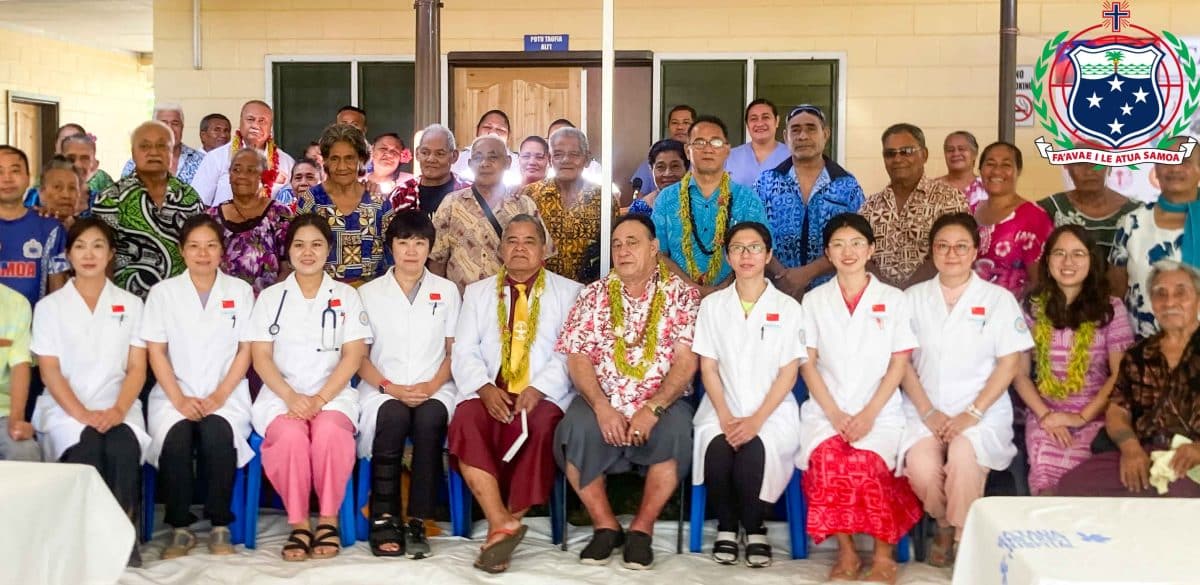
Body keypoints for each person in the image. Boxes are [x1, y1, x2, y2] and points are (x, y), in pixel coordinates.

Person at [556, 214, 700, 570]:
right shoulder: (593, 294)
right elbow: (577, 357)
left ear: (654, 249)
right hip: (600, 399)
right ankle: (605, 526)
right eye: (617, 244)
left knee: (677, 434)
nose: (623, 251)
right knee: (572, 431)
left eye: (632, 243)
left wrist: (654, 407)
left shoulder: (682, 295)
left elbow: (686, 362)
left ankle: (641, 530)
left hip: (662, 401)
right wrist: (602, 406)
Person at [449, 215, 581, 573]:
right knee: (466, 419)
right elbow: (464, 349)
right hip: (491, 388)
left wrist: (539, 388)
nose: (520, 248)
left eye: (529, 241)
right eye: (512, 241)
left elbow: (569, 352)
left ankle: (503, 527)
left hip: (543, 392)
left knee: (543, 426)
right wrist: (484, 388)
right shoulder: (477, 293)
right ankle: (500, 521)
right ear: (500, 248)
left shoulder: (570, 293)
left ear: (544, 250)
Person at [900, 212, 1032, 567]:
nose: (951, 254)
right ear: (932, 252)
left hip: (981, 411)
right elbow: (902, 363)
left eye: (961, 246)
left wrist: (972, 413)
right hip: (924, 410)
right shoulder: (911, 298)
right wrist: (929, 412)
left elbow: (1010, 363)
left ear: (975, 251)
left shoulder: (998, 299)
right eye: (942, 246)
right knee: (922, 467)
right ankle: (943, 523)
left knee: (963, 459)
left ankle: (961, 537)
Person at [797, 213, 922, 584]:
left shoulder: (894, 299)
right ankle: (847, 553)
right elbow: (808, 364)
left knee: (871, 464)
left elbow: (899, 364)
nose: (847, 251)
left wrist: (868, 414)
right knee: (829, 461)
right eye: (838, 244)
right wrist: (835, 415)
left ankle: (884, 555)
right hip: (827, 410)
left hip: (880, 411)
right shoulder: (815, 300)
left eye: (856, 243)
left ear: (871, 249)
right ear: (828, 253)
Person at [244, 214, 371, 561]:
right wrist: (291, 397)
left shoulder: (346, 295)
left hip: (332, 395)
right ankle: (299, 524)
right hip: (281, 395)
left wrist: (319, 398)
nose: (308, 252)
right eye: (299, 245)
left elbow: (354, 355)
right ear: (289, 252)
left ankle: (327, 519)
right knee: (290, 437)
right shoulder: (271, 298)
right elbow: (261, 358)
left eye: (316, 244)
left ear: (328, 250)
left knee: (330, 432)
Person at [31, 218, 150, 566]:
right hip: (66, 408)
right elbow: (49, 369)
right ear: (68, 255)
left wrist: (118, 409)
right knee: (88, 447)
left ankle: (123, 537)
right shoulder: (50, 308)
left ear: (111, 254)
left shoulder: (131, 304)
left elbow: (136, 368)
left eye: (98, 245)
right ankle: (85, 537)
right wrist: (82, 415)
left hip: (119, 403)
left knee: (122, 444)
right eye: (80, 246)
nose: (88, 254)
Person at [141, 215, 254, 558]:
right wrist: (178, 398)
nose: (202, 254)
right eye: (194, 246)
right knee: (175, 442)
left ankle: (220, 525)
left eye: (210, 246)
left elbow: (245, 349)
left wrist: (220, 395)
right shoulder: (163, 293)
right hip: (174, 394)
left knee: (219, 437)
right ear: (182, 251)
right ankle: (180, 528)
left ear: (222, 250)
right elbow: (156, 351)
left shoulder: (240, 290)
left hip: (227, 393)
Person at [691, 221, 803, 568]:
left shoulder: (788, 308)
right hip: (721, 404)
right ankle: (727, 526)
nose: (746, 255)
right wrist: (725, 415)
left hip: (772, 409)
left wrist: (756, 419)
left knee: (755, 448)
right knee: (718, 447)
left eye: (755, 247)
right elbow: (708, 367)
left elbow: (789, 371)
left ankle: (754, 528)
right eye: (737, 247)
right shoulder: (713, 306)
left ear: (768, 254)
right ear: (728, 256)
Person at [355, 211, 458, 559]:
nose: (411, 251)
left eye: (419, 242)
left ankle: (417, 520)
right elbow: (360, 357)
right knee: (393, 418)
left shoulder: (446, 291)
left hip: (435, 385)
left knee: (430, 420)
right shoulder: (368, 294)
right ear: (390, 247)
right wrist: (391, 388)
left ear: (430, 247)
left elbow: (451, 352)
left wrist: (431, 386)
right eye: (403, 242)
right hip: (383, 387)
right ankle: (384, 516)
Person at [1056, 260, 1200, 498]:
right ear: (1152, 303)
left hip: (1191, 460)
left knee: (1179, 499)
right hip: (1145, 455)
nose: (1170, 302)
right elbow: (1117, 412)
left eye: (1180, 292)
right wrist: (1130, 448)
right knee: (1074, 486)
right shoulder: (1138, 354)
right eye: (1160, 294)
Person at [1012, 225, 1134, 495]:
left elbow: (1119, 374)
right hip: (1044, 411)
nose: (1068, 262)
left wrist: (1080, 417)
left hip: (1096, 413)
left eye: (1078, 254)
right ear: (1047, 261)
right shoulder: (1030, 307)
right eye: (1060, 253)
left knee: (1082, 484)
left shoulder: (1111, 308)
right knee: (1045, 479)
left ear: (1092, 261)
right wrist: (1046, 416)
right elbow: (1019, 374)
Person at [756, 105, 865, 297]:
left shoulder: (846, 185)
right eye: (795, 130)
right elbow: (753, 233)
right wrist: (783, 276)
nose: (803, 136)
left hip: (832, 293)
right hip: (776, 293)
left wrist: (808, 273)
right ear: (785, 136)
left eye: (811, 128)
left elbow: (860, 240)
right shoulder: (766, 182)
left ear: (826, 134)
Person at [652, 115, 768, 294]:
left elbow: (757, 252)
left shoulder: (747, 199)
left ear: (727, 149)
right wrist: (694, 290)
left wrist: (721, 291)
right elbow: (658, 254)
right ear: (687, 150)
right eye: (699, 142)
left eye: (715, 142)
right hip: (677, 300)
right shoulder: (667, 199)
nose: (707, 149)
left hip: (734, 299)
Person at [93, 121, 204, 299]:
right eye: (145, 146)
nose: (153, 152)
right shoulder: (111, 198)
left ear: (171, 153)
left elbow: (199, 252)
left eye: (161, 146)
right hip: (127, 303)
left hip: (179, 302)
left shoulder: (189, 198)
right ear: (133, 153)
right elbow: (101, 257)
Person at [429, 135, 550, 291]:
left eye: (493, 157)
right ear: (470, 164)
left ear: (507, 162)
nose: (485, 163)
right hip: (462, 306)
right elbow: (437, 261)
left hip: (513, 304)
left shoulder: (524, 204)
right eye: (478, 158)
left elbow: (541, 257)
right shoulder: (451, 204)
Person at [1110, 136, 1198, 339]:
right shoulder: (1130, 223)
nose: (1175, 168)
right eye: (1167, 160)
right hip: (1143, 354)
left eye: (1184, 160)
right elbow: (1116, 293)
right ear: (1156, 170)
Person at [861, 123, 967, 289]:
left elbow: (952, 251)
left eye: (906, 151)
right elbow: (861, 253)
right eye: (890, 154)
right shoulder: (870, 205)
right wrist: (887, 291)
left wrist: (908, 291)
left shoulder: (948, 198)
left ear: (924, 155)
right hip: (883, 303)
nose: (897, 159)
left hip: (932, 300)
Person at [297, 123, 393, 287]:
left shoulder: (378, 201)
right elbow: (299, 253)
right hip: (322, 296)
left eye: (349, 158)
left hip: (372, 295)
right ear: (325, 161)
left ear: (361, 159)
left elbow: (392, 253)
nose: (342, 167)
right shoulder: (311, 201)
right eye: (335, 159)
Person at [522, 127, 610, 283]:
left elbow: (610, 248)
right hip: (541, 290)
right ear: (550, 159)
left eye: (574, 154)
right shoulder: (530, 195)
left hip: (588, 291)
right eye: (558, 154)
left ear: (587, 159)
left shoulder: (604, 199)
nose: (565, 160)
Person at [970, 141, 1053, 298]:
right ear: (980, 170)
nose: (997, 171)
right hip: (969, 311)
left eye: (1006, 165)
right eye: (990, 164)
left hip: (1014, 314)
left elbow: (1040, 281)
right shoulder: (970, 209)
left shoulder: (1034, 217)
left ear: (1018, 171)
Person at [208, 149, 294, 295]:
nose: (242, 175)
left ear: (263, 176)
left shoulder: (280, 214)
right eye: (236, 169)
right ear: (229, 176)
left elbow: (289, 267)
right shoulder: (211, 217)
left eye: (251, 171)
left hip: (267, 307)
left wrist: (268, 302)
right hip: (221, 306)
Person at [190, 100, 295, 206]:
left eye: (262, 121)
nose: (255, 125)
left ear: (270, 126)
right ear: (240, 122)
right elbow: (198, 203)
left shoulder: (287, 162)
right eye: (250, 119)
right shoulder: (216, 157)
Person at [0, 145, 68, 308]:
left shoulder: (51, 229)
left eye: (15, 171)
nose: (7, 178)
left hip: (33, 330)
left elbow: (58, 293)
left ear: (28, 178)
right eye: (0, 172)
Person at [1038, 163, 1138, 258]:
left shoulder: (1136, 212)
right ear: (1068, 168)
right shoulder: (1048, 208)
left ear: (1109, 167)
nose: (1089, 172)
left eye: (1097, 163)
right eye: (1080, 163)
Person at [388, 124, 471, 216]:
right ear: (417, 154)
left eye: (440, 154)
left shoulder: (469, 192)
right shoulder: (401, 195)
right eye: (425, 153)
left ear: (454, 156)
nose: (431, 159)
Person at [0, 282, 40, 461]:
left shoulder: (16, 303)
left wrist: (16, 420)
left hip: (2, 412)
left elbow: (20, 365)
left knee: (24, 451)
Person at [120, 104, 206, 184]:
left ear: (182, 127)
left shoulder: (202, 162)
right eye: (164, 123)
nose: (170, 129)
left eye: (175, 123)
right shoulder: (135, 163)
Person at [24, 133, 110, 210]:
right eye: (70, 158)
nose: (77, 165)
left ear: (95, 165)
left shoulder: (104, 204)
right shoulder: (35, 198)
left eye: (85, 159)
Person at [725, 99, 789, 188]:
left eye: (765, 117)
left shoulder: (791, 156)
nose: (759, 123)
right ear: (747, 125)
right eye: (753, 119)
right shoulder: (730, 157)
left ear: (776, 121)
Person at [631, 105, 696, 191]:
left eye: (686, 123)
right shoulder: (653, 161)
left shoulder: (705, 160)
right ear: (668, 127)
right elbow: (638, 199)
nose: (680, 127)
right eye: (675, 123)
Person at [451, 110, 521, 186]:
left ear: (509, 136)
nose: (493, 133)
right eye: (487, 127)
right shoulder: (458, 160)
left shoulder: (518, 163)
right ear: (477, 130)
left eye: (500, 130)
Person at [627, 139, 688, 215]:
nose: (667, 174)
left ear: (686, 168)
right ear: (651, 169)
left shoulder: (699, 204)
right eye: (660, 167)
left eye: (675, 166)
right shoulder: (640, 209)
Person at [936, 131, 986, 207]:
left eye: (961, 149)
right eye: (950, 150)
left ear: (974, 153)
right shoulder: (933, 188)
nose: (956, 154)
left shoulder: (986, 187)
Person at [34, 155, 87, 227]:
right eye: (57, 187)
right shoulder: (29, 226)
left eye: (72, 188)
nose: (66, 195)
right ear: (42, 193)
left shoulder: (88, 231)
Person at [365, 133, 415, 203]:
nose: (389, 154)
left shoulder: (411, 182)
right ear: (372, 150)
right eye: (383, 148)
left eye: (394, 151)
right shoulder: (357, 181)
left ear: (401, 156)